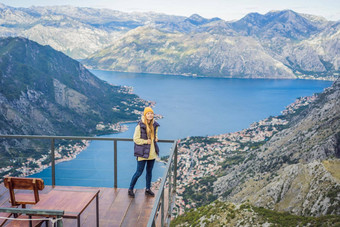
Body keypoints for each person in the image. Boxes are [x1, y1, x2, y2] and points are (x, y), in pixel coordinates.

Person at [128, 107, 160, 197]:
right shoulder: (139, 126)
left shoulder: (154, 125)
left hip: (152, 153)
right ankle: (130, 189)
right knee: (138, 172)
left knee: (149, 172)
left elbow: (155, 135)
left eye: (151, 113)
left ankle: (148, 189)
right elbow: (136, 139)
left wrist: (156, 138)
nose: (150, 115)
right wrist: (146, 141)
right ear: (145, 115)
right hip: (142, 153)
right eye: (148, 113)